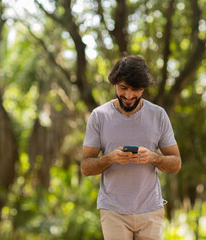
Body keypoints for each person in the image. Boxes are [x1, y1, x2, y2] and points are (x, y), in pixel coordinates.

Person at [81, 54, 181, 240]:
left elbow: (175, 164)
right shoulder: (99, 116)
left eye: (135, 89)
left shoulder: (158, 115)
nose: (128, 96)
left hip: (150, 210)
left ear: (143, 88)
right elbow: (86, 167)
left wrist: (153, 157)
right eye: (123, 88)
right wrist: (109, 158)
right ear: (114, 85)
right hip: (114, 211)